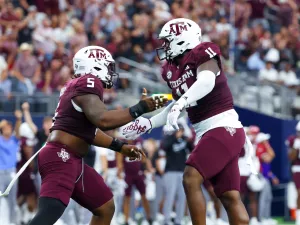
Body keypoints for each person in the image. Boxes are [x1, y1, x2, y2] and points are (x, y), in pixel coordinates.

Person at [121, 18, 250, 225]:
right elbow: (178, 105)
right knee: (229, 196)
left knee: (191, 178)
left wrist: (182, 103)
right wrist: (148, 123)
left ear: (183, 39)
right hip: (213, 132)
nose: (163, 46)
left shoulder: (202, 51)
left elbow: (206, 81)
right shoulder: (171, 69)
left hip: (222, 127)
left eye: (167, 41)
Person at [25, 45, 167, 225]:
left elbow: (88, 132)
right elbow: (102, 120)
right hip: (61, 156)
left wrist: (120, 147)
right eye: (107, 67)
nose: (110, 73)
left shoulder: (78, 86)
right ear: (95, 65)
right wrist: (141, 108)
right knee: (50, 211)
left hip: (72, 158)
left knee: (105, 206)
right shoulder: (88, 82)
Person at [160, 124, 192, 225]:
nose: (180, 132)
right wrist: (175, 137)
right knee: (170, 196)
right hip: (170, 171)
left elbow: (192, 149)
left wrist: (188, 140)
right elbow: (164, 147)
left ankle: (179, 220)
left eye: (181, 130)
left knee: (182, 197)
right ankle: (166, 220)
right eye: (178, 130)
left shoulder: (185, 139)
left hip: (182, 172)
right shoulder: (169, 138)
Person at [117, 138, 153, 225]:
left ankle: (149, 218)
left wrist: (148, 168)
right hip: (128, 175)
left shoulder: (139, 142)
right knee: (127, 197)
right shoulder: (123, 144)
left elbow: (145, 157)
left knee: (144, 196)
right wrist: (120, 173)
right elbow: (119, 160)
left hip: (138, 173)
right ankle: (126, 220)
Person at [0, 110, 22, 225]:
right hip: (0, 173)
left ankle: (13, 222)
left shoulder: (15, 139)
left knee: (12, 200)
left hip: (12, 173)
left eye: (10, 127)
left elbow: (18, 132)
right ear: (2, 129)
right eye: (6, 127)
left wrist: (18, 119)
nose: (8, 129)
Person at [287, 121, 300, 225]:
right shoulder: (294, 141)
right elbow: (291, 157)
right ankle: (298, 219)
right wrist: (296, 147)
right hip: (298, 169)